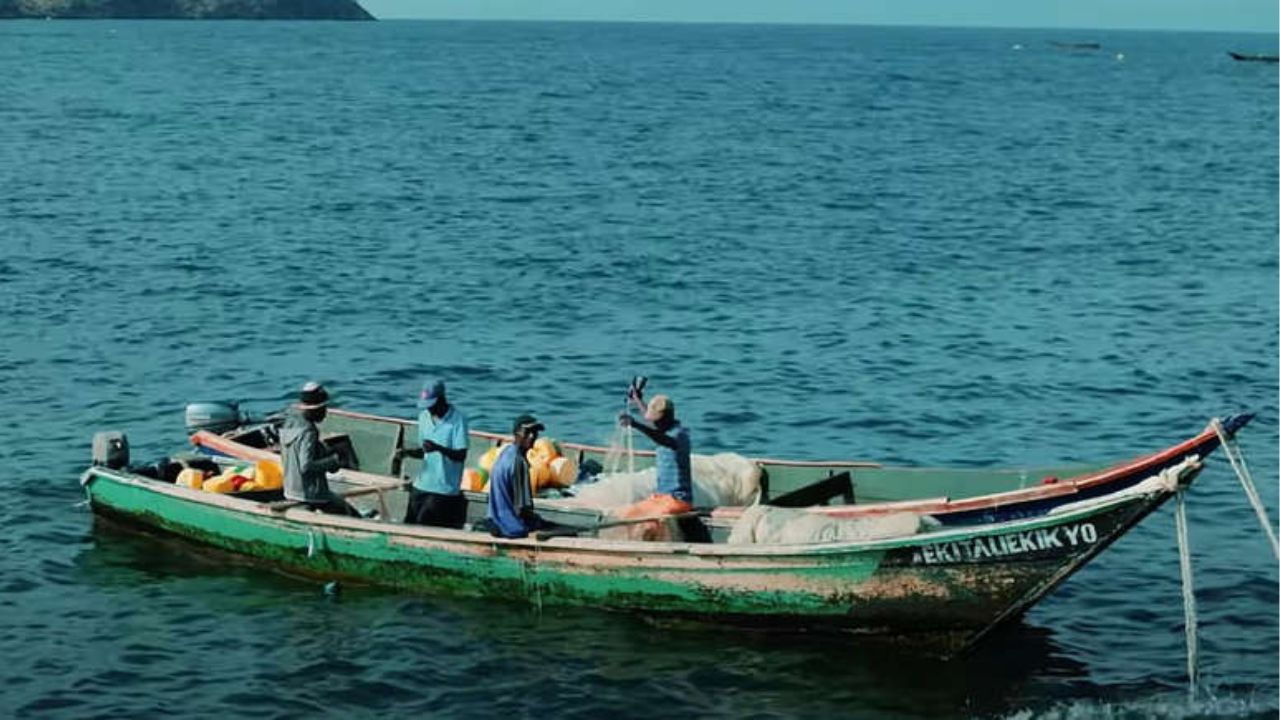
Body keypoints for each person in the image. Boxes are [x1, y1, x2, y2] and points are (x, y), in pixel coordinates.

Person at [396, 379, 470, 528]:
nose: (429, 409)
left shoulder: (458, 420)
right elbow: (425, 451)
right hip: (422, 484)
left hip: (444, 489)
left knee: (424, 523)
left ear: (441, 400)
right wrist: (408, 453)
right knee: (409, 522)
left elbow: (461, 455)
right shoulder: (423, 417)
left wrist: (439, 448)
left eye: (432, 405)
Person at [280, 381, 360, 516]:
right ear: (316, 409)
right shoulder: (309, 430)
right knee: (351, 514)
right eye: (323, 409)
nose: (325, 413)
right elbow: (305, 466)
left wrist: (321, 450)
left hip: (290, 490)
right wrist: (333, 461)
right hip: (311, 495)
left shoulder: (289, 422)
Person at [618, 387, 694, 518]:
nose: (654, 423)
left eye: (657, 421)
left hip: (678, 500)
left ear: (667, 417)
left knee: (651, 518)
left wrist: (637, 425)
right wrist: (637, 399)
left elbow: (663, 439)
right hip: (660, 497)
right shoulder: (663, 427)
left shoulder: (680, 434)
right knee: (628, 513)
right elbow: (652, 422)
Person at [484, 414, 548, 538]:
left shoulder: (506, 452)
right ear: (517, 433)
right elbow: (522, 510)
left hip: (493, 516)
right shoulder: (519, 463)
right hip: (509, 526)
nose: (532, 436)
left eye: (535, 432)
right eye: (527, 432)